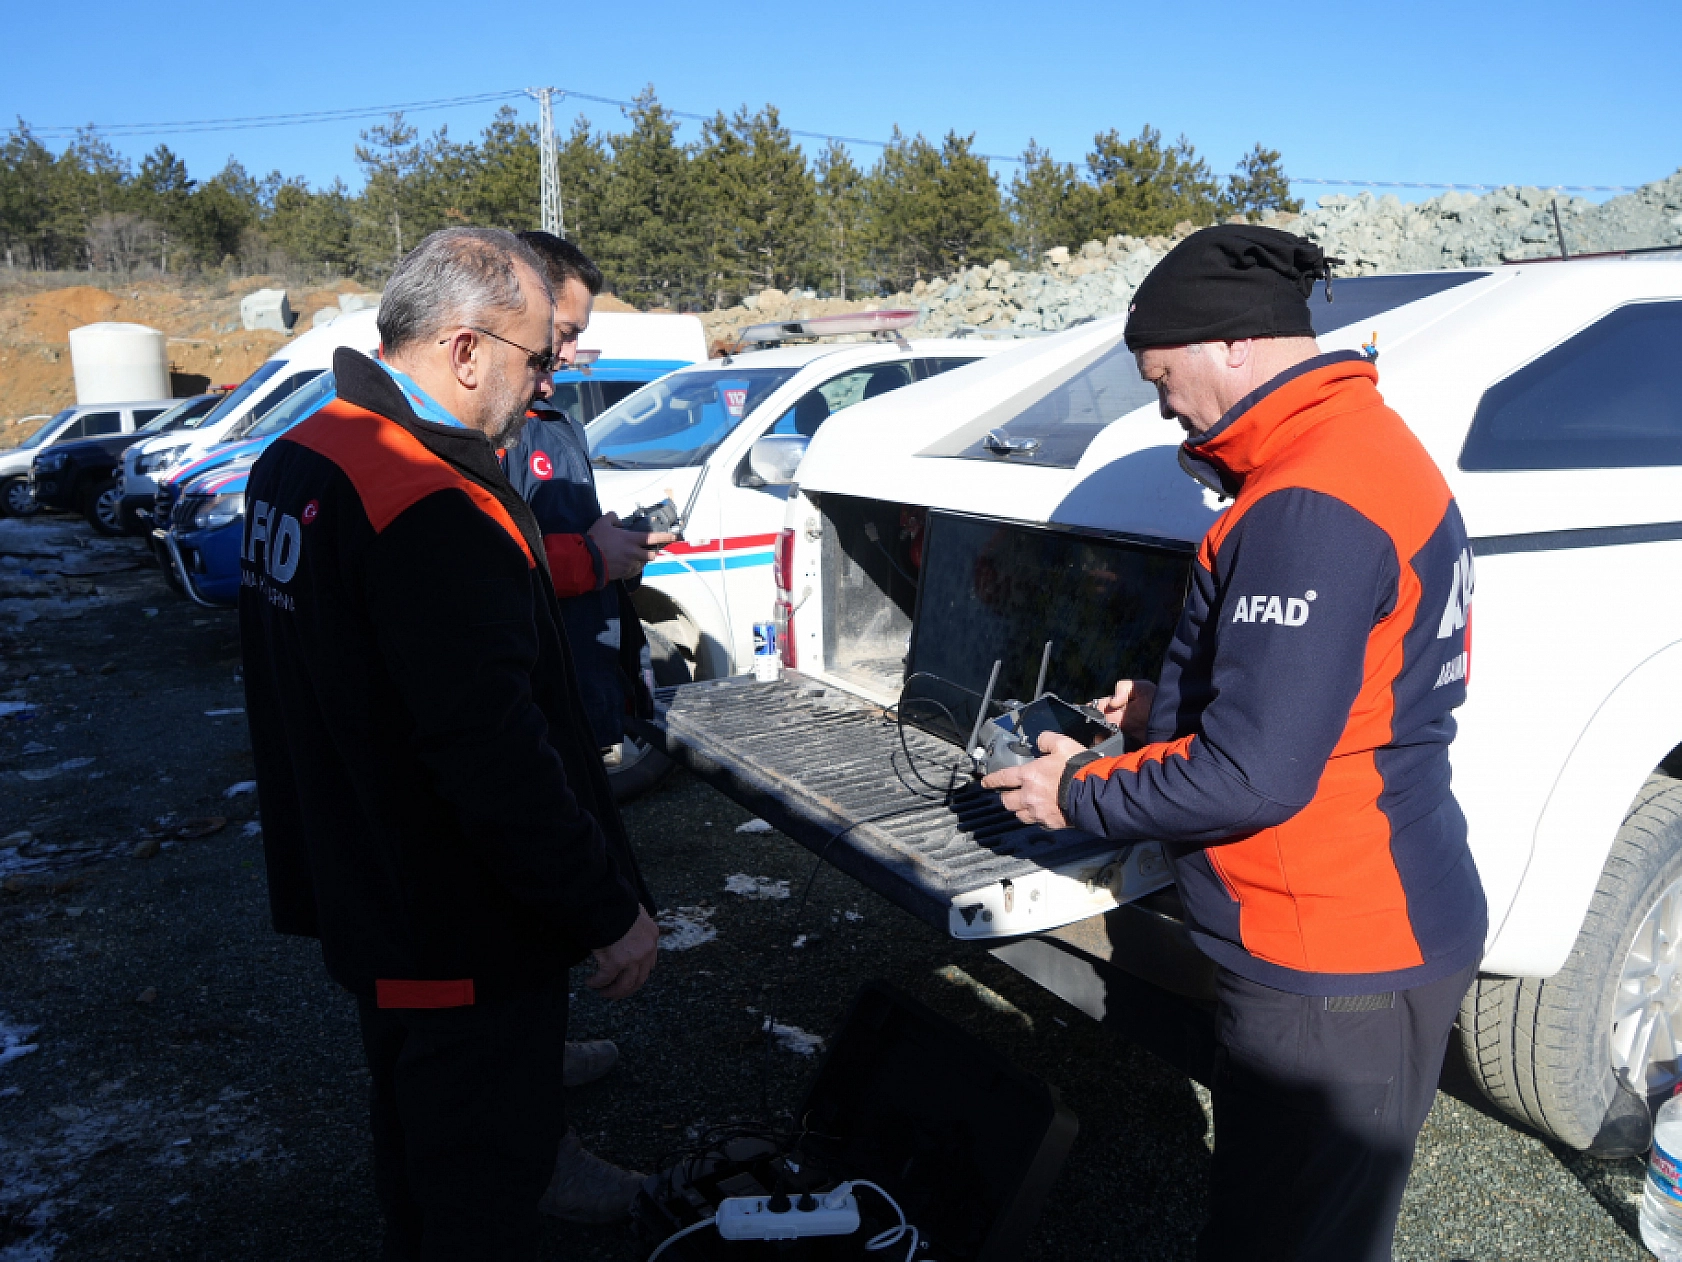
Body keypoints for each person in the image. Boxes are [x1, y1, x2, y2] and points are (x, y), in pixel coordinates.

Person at [983, 224, 1486, 1262]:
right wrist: (1157, 714)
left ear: (1233, 347)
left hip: (1334, 952)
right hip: (1360, 924)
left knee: (1289, 1239)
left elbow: (1253, 772)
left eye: (1164, 378)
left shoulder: (1306, 502)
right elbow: (1337, 696)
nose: (1163, 406)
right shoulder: (1354, 450)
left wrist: (1076, 788)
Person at [238, 226, 659, 1259]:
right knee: (476, 1174)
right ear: (467, 351)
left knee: (416, 1139)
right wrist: (604, 908)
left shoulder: (300, 454)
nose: (546, 383)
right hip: (456, 917)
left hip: (366, 888)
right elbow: (491, 752)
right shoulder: (430, 502)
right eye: (539, 357)